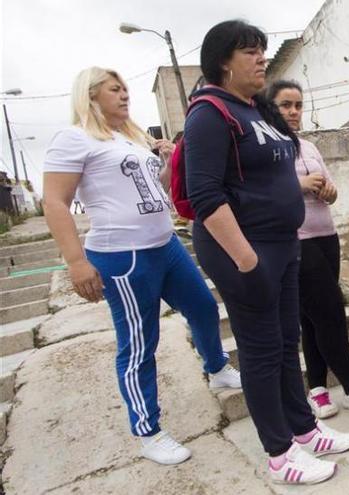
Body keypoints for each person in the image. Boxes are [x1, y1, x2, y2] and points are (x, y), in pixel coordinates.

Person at [184, 20, 349, 485]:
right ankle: (279, 454)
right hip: (245, 250)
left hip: (283, 245)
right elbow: (204, 195)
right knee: (261, 352)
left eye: (262, 50)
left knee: (285, 343)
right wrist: (246, 260)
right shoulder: (209, 114)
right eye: (250, 52)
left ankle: (303, 429)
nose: (262, 59)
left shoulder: (257, 110)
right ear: (223, 61)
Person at [42, 67, 241, 466]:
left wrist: (165, 163)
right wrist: (76, 262)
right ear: (91, 95)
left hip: (164, 243)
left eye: (126, 88)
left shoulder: (130, 139)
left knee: (203, 306)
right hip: (122, 255)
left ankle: (217, 367)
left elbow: (155, 191)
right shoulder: (75, 137)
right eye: (115, 89)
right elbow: (54, 202)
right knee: (138, 344)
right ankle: (148, 431)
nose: (125, 95)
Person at [268, 79, 349, 419]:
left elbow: (330, 186)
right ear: (270, 108)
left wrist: (329, 192)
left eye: (298, 105)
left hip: (326, 235)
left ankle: (317, 388)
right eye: (285, 105)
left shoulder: (309, 146)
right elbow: (264, 195)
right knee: (331, 312)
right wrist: (298, 185)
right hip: (296, 239)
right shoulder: (267, 149)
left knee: (312, 317)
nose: (293, 112)